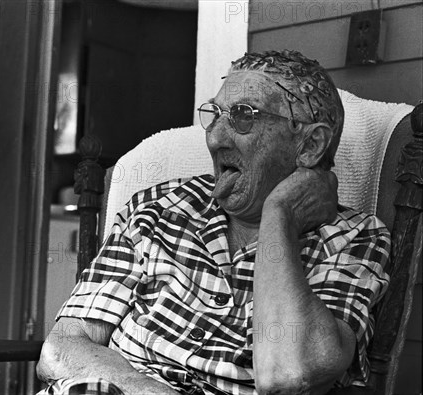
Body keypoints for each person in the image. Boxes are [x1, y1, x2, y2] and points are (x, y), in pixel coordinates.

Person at [36, 50, 390, 395]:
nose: (215, 137)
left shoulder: (355, 239)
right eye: (215, 115)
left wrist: (279, 215)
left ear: (310, 146)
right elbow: (62, 348)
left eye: (243, 116)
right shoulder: (159, 208)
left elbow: (289, 375)